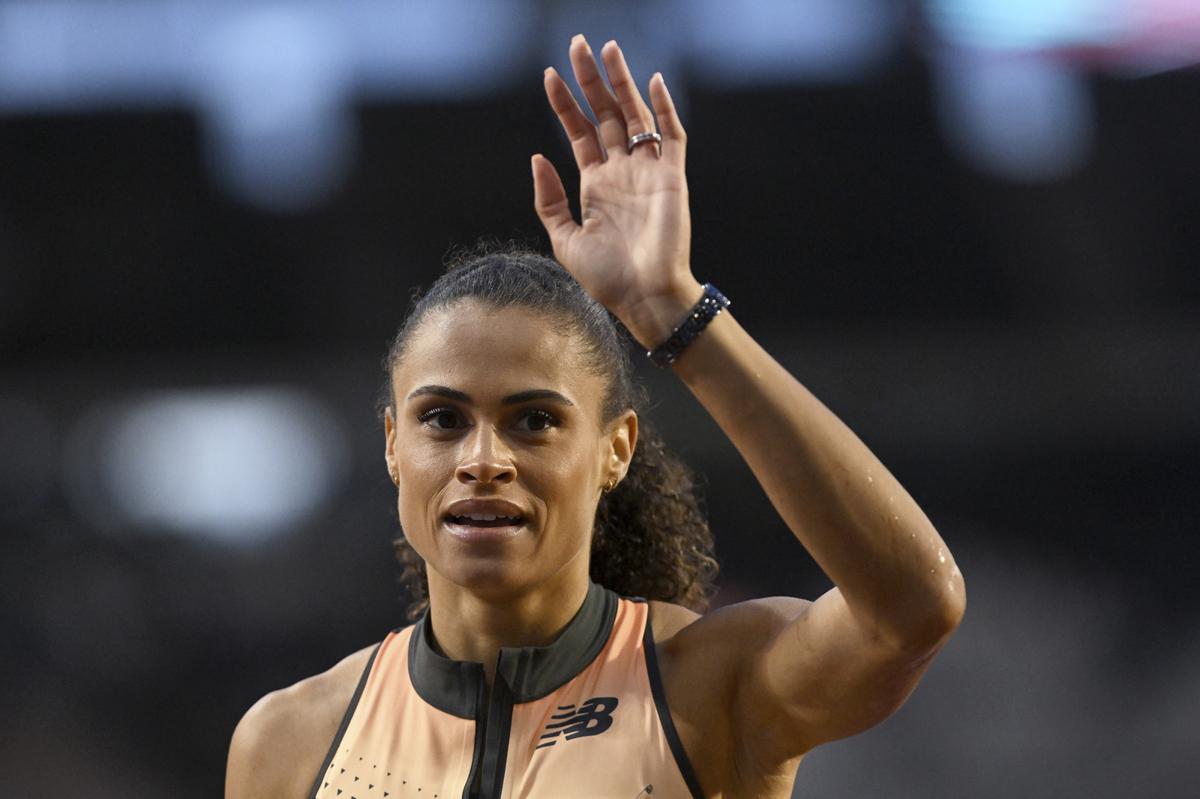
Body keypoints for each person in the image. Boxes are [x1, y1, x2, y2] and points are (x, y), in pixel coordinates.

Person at [225, 35, 965, 799]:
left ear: (615, 451)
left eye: (534, 420)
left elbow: (912, 607)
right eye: (442, 419)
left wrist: (676, 311)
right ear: (391, 446)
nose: (483, 458)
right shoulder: (290, 741)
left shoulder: (707, 688)